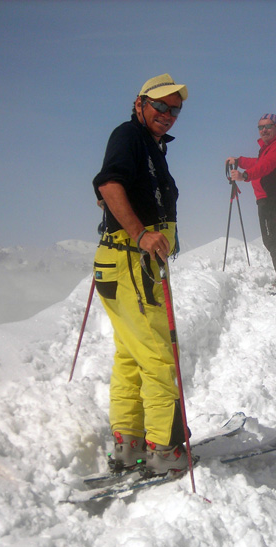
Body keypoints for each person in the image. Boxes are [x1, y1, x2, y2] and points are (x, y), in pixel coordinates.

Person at [91, 73, 189, 475]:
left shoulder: (149, 145)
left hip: (119, 261)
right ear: (140, 103)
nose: (168, 114)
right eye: (161, 106)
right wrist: (141, 233)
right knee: (157, 353)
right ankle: (165, 451)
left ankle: (129, 444)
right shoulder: (129, 136)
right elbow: (109, 184)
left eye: (175, 109)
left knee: (131, 354)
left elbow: (115, 191)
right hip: (132, 262)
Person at [226, 114, 276, 290]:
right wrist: (240, 161)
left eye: (268, 126)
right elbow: (260, 162)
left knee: (274, 239)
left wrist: (245, 175)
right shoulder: (269, 147)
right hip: (268, 199)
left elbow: (266, 166)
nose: (264, 130)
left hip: (275, 198)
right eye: (260, 127)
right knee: (271, 239)